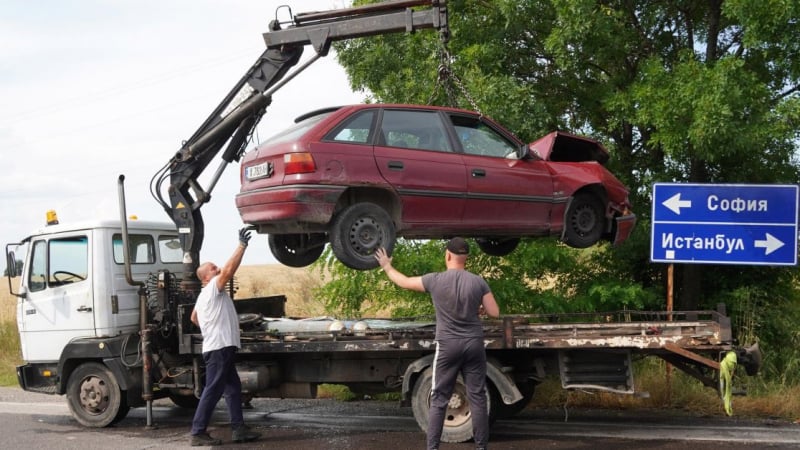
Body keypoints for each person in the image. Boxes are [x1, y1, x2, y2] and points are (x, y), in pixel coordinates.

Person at [375, 238, 500, 450]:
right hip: (473, 345)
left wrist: (387, 266)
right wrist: (478, 308)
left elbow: (404, 281)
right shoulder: (478, 282)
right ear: (466, 258)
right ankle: (481, 447)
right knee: (477, 396)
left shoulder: (435, 280)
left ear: (448, 255)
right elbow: (494, 313)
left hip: (448, 345)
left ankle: (432, 448)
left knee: (440, 397)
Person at [188, 227, 261, 447]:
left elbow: (193, 318)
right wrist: (242, 245)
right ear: (205, 278)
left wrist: (211, 328)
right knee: (213, 389)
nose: (218, 269)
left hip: (219, 347)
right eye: (213, 268)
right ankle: (197, 432)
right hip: (219, 348)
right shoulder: (211, 288)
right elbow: (228, 270)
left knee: (233, 388)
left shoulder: (205, 296)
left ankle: (239, 429)